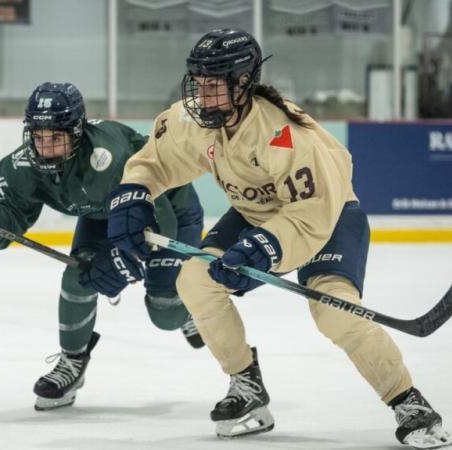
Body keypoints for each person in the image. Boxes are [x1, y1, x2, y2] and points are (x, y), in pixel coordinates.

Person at [105, 29, 450, 448]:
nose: (203, 93)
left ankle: (409, 402)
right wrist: (133, 194)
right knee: (194, 280)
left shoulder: (285, 134)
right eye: (199, 82)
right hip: (255, 215)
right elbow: (155, 160)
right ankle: (246, 386)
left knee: (335, 313)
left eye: (214, 84)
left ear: (243, 82)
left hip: (329, 217)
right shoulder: (194, 119)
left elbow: (312, 212)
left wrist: (264, 248)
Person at [0, 82, 205, 411]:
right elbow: (6, 223)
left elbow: (157, 217)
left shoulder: (108, 159)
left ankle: (189, 307)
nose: (46, 148)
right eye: (39, 137)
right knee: (77, 277)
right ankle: (72, 362)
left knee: (164, 312)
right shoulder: (23, 166)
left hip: (169, 209)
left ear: (76, 132)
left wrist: (123, 262)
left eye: (56, 138)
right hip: (102, 213)